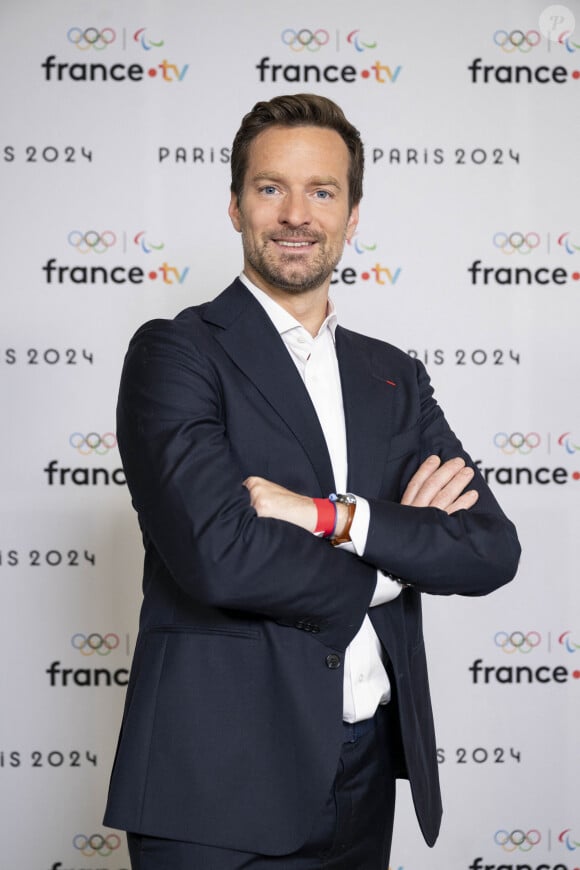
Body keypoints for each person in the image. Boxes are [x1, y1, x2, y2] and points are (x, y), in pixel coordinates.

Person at [104, 93, 520, 869]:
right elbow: (219, 552)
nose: (297, 214)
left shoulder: (392, 376)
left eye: (322, 192)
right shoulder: (176, 353)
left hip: (364, 778)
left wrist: (332, 518)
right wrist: (395, 558)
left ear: (353, 215)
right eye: (271, 189)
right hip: (213, 785)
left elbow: (488, 548)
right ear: (235, 206)